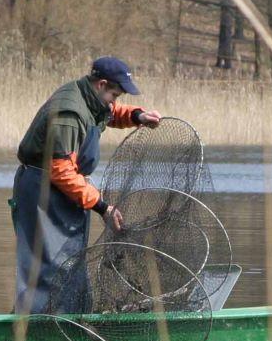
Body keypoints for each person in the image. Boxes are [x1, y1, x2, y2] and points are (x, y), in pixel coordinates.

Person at [12, 56, 162, 312]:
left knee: (69, 262)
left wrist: (137, 116)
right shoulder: (69, 113)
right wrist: (103, 206)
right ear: (101, 84)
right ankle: (36, 331)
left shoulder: (89, 98)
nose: (115, 101)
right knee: (48, 268)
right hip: (43, 190)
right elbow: (61, 172)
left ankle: (66, 322)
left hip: (63, 192)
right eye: (114, 94)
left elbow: (110, 113)